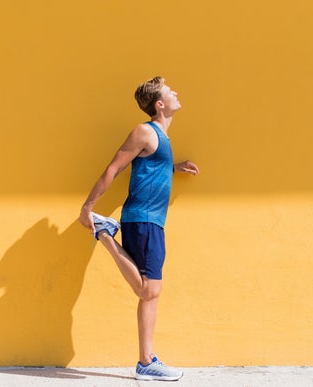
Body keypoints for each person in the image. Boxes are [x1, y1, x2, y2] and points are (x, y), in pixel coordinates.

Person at [78, 76, 199, 381]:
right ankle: (104, 233)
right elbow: (113, 168)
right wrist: (88, 207)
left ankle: (147, 360)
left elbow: (149, 166)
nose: (176, 92)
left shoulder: (161, 137)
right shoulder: (144, 131)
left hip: (151, 220)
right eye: (170, 91)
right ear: (159, 104)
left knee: (151, 292)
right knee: (148, 290)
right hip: (142, 218)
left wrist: (174, 167)